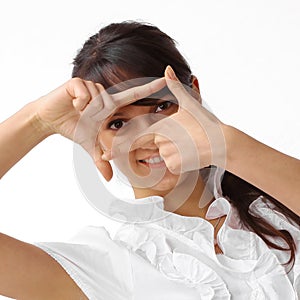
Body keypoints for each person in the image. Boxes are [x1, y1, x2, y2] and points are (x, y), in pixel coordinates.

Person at [0, 20, 299, 300]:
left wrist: (227, 145)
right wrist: (37, 120)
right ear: (97, 141)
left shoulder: (278, 198)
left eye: (161, 107)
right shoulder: (111, 264)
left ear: (193, 94)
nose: (148, 135)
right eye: (117, 123)